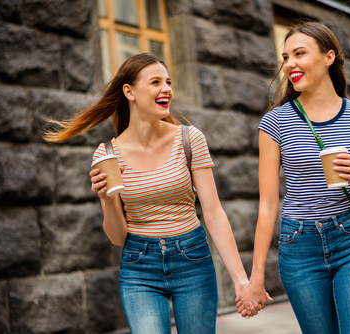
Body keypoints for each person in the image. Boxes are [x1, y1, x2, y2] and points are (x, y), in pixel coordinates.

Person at [44, 53, 262, 333]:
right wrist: (107, 201)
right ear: (129, 91)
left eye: (168, 82)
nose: (167, 89)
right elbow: (117, 237)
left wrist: (241, 280)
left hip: (192, 258)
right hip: (139, 266)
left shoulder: (189, 138)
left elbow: (214, 212)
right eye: (156, 82)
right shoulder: (107, 154)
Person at [236, 22, 350, 333]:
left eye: (299, 53)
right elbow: (268, 205)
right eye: (286, 56)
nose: (290, 64)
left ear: (328, 57)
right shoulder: (275, 121)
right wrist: (256, 278)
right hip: (298, 246)